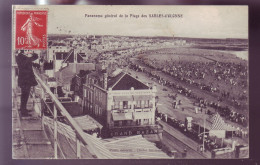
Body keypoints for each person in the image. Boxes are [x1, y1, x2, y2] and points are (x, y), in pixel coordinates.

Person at [16, 50, 39, 117]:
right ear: (23, 51)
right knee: (25, 95)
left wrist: (32, 53)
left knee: (25, 95)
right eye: (26, 50)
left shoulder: (23, 56)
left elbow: (35, 56)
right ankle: (23, 111)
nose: (28, 52)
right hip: (24, 80)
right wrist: (30, 57)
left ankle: (23, 109)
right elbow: (24, 64)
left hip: (26, 80)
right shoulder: (19, 57)